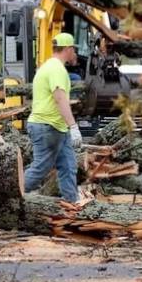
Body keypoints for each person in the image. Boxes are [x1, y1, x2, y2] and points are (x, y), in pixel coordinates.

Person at [23, 32, 82, 202]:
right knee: (41, 169)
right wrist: (73, 126)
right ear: (68, 49)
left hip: (56, 127)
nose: (75, 53)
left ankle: (72, 205)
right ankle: (10, 195)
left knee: (69, 166)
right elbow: (59, 98)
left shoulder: (49, 66)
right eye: (73, 50)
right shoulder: (56, 69)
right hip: (47, 126)